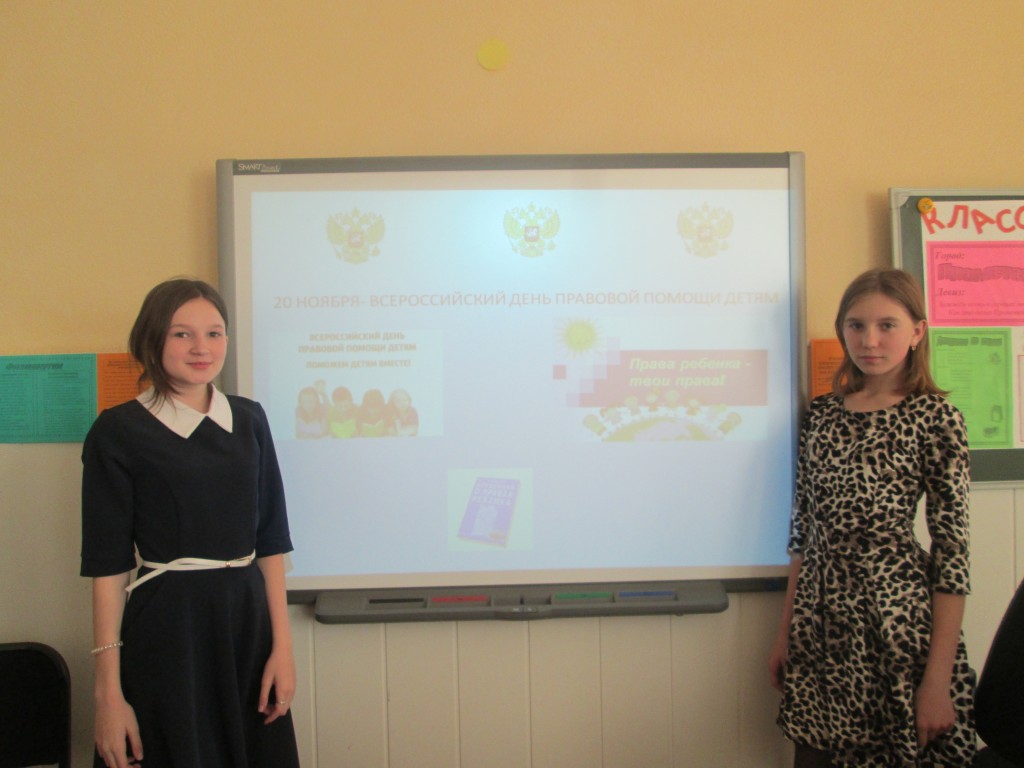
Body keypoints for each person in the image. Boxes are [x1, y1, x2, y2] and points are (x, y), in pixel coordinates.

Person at [81, 278, 300, 768]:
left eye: (214, 333)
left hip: (247, 627)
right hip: (168, 629)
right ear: (152, 339)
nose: (202, 347)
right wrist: (108, 695)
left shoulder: (249, 419)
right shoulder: (118, 431)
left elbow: (270, 542)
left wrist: (282, 649)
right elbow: (108, 567)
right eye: (183, 334)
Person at [768, 268, 975, 767]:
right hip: (819, 627)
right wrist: (785, 632)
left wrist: (937, 681)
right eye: (856, 325)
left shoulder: (936, 418)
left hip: (894, 629)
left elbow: (952, 557)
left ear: (917, 332)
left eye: (887, 325)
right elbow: (803, 533)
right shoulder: (821, 415)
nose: (870, 340)